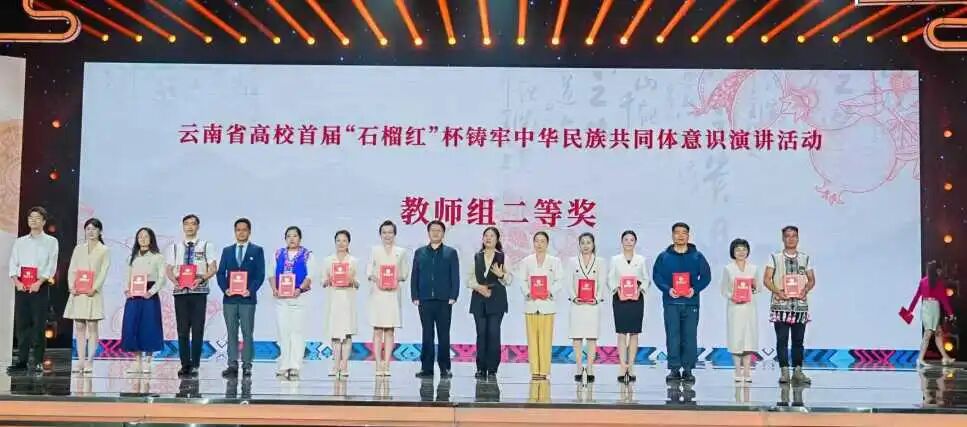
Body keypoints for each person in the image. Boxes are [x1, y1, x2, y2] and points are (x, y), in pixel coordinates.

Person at [653, 222, 711, 384]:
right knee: (672, 337)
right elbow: (657, 276)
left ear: (688, 235)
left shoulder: (697, 256)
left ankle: (688, 369)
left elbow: (706, 277)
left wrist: (694, 289)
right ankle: (674, 369)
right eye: (677, 232)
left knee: (689, 337)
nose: (680, 235)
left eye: (683, 232)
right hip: (671, 303)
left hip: (691, 303)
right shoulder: (664, 257)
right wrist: (668, 289)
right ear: (672, 235)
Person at [164, 214, 217, 378]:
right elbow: (168, 269)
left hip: (198, 291)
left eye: (193, 224)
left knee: (198, 329)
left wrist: (201, 278)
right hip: (181, 292)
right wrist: (175, 281)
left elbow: (213, 268)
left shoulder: (206, 245)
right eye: (186, 224)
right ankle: (184, 364)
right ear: (183, 226)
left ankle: (195, 364)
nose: (189, 227)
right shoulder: (174, 247)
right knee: (182, 330)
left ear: (197, 227)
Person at [8, 206, 59, 373]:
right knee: (22, 325)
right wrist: (16, 281)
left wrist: (39, 282)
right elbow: (13, 262)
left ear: (43, 221)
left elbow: (51, 264)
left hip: (40, 287)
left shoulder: (51, 242)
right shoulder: (20, 241)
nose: (33, 220)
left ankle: (37, 361)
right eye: (31, 218)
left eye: (37, 218)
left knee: (38, 325)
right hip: (21, 287)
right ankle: (21, 361)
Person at [762, 225, 815, 385]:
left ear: (798, 238)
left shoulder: (805, 258)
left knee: (798, 341)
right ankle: (784, 372)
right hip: (781, 307)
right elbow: (766, 279)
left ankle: (798, 371)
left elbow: (811, 280)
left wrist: (805, 289)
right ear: (783, 238)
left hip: (799, 307)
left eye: (794, 236)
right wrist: (777, 291)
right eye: (787, 236)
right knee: (782, 340)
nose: (791, 239)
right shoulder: (774, 257)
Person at [215, 218, 265, 379]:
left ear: (249, 232)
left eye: (244, 230)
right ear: (234, 232)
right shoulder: (227, 251)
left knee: (247, 332)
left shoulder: (257, 250)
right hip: (229, 299)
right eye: (238, 230)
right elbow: (220, 273)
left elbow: (260, 274)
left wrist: (250, 290)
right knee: (231, 332)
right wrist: (225, 289)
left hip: (247, 299)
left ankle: (247, 365)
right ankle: (232, 364)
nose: (241, 232)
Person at [411, 220, 460, 379]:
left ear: (443, 233)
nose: (435, 233)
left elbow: (455, 276)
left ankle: (445, 368)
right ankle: (426, 368)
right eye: (433, 230)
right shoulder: (420, 253)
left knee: (444, 334)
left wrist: (453, 295)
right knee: (427, 334)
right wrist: (415, 295)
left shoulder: (450, 253)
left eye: (439, 230)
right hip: (424, 299)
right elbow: (415, 275)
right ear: (428, 232)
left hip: (444, 300)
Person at [64, 218, 111, 374]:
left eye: (94, 229)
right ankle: (80, 361)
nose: (91, 232)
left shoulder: (104, 250)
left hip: (92, 293)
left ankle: (90, 360)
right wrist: (71, 286)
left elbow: (103, 271)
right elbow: (72, 268)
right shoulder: (79, 249)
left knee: (92, 326)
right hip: (78, 292)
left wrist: (95, 287)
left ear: (100, 231)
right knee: (79, 326)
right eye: (88, 229)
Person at [517, 231, 563, 380]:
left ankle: (544, 371)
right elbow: (522, 280)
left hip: (547, 305)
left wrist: (551, 292)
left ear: (547, 244)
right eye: (537, 241)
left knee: (545, 339)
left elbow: (560, 280)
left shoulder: (554, 261)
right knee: (532, 339)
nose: (539, 244)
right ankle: (534, 370)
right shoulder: (526, 261)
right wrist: (527, 292)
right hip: (531, 304)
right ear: (533, 243)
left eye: (542, 241)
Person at [120, 227, 166, 374]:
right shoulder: (132, 257)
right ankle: (137, 361)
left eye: (146, 236)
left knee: (149, 326)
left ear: (151, 238)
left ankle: (148, 361)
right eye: (140, 236)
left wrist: (151, 292)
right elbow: (126, 276)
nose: (143, 239)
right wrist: (126, 290)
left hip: (149, 294)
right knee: (132, 326)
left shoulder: (158, 257)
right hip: (134, 295)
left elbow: (162, 278)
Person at [268, 226, 313, 379]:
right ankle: (284, 364)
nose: (292, 239)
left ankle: (295, 365)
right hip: (282, 299)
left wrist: (300, 289)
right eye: (289, 236)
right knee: (283, 331)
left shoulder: (307, 255)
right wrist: (274, 289)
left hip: (299, 298)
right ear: (285, 238)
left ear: (300, 238)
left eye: (295, 236)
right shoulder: (278, 254)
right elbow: (271, 274)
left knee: (297, 332)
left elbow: (310, 276)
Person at [367, 220, 410, 377]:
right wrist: (377, 279)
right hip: (378, 293)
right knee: (378, 329)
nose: (387, 235)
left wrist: (394, 279)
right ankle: (378, 363)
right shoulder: (375, 250)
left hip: (392, 293)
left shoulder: (401, 251)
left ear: (395, 234)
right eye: (384, 232)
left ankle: (387, 363)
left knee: (390, 329)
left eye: (390, 232)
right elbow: (369, 271)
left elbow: (404, 273)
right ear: (380, 234)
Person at [467, 226, 510, 380]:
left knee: (493, 333)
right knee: (481, 334)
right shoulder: (477, 256)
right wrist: (479, 288)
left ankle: (492, 369)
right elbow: (469, 279)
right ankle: (481, 368)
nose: (488, 238)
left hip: (496, 298)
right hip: (479, 298)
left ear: (497, 239)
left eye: (492, 236)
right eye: (486, 235)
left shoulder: (503, 257)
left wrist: (502, 275)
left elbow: (510, 280)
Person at [608, 230, 650, 383]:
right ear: (621, 241)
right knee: (621, 333)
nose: (628, 242)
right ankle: (622, 366)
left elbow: (646, 279)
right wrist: (617, 290)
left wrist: (640, 290)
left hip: (636, 298)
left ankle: (631, 366)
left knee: (634, 333)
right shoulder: (615, 259)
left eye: (631, 240)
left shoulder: (641, 259)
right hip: (620, 297)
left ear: (635, 242)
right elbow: (610, 278)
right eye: (626, 239)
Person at [568, 232, 607, 383]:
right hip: (577, 305)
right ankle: (579, 367)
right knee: (577, 337)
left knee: (592, 337)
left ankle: (590, 368)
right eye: (583, 243)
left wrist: (596, 298)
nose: (585, 245)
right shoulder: (572, 261)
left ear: (593, 244)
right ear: (579, 245)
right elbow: (568, 282)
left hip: (592, 305)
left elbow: (602, 282)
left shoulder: (600, 261)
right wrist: (574, 297)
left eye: (588, 242)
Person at [719, 238, 759, 382]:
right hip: (735, 308)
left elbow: (758, 288)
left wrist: (754, 286)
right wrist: (733, 297)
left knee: (748, 339)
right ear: (733, 252)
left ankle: (747, 371)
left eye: (744, 249)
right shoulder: (728, 268)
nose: (741, 252)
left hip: (749, 307)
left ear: (748, 251)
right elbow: (724, 289)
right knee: (736, 339)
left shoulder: (753, 268)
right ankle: (737, 370)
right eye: (738, 250)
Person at [323, 229, 358, 378]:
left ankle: (344, 365)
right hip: (334, 300)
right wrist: (328, 280)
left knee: (347, 333)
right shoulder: (328, 260)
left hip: (348, 300)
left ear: (348, 243)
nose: (341, 243)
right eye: (338, 240)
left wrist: (351, 280)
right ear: (335, 242)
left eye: (344, 240)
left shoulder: (353, 261)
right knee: (335, 334)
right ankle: (335, 364)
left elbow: (358, 283)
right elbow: (323, 282)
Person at [906, 260, 956, 366]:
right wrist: (950, 313)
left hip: (930, 308)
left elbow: (917, 297)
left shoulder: (930, 282)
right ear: (936, 270)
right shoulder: (933, 282)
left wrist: (910, 310)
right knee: (928, 334)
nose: (940, 272)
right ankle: (920, 359)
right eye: (939, 270)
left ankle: (945, 357)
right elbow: (944, 300)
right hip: (930, 308)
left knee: (938, 333)